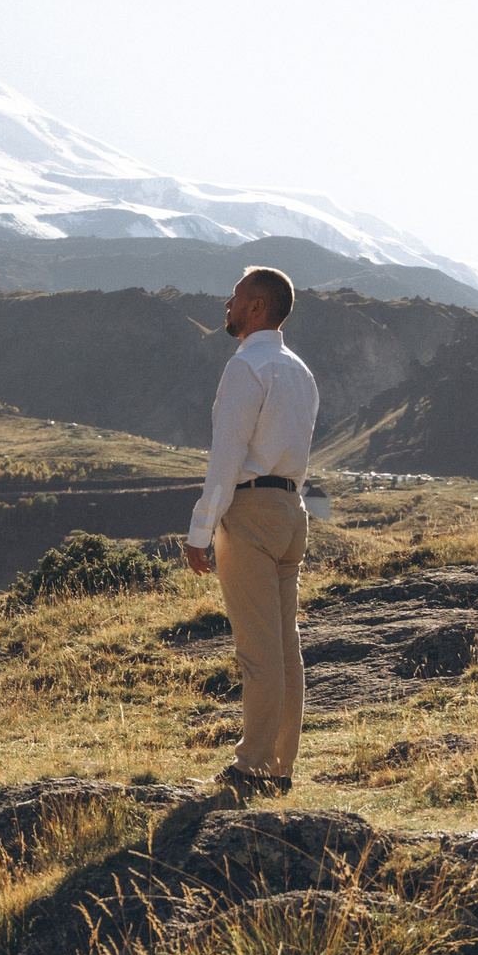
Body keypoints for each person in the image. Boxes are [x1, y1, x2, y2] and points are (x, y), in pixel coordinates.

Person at [181, 267, 321, 801]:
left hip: (252, 510)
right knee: (286, 649)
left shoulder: (246, 368)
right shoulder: (299, 371)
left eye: (235, 297)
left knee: (258, 652)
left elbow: (226, 457)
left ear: (256, 308)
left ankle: (251, 767)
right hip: (292, 510)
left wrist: (202, 527)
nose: (227, 303)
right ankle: (280, 767)